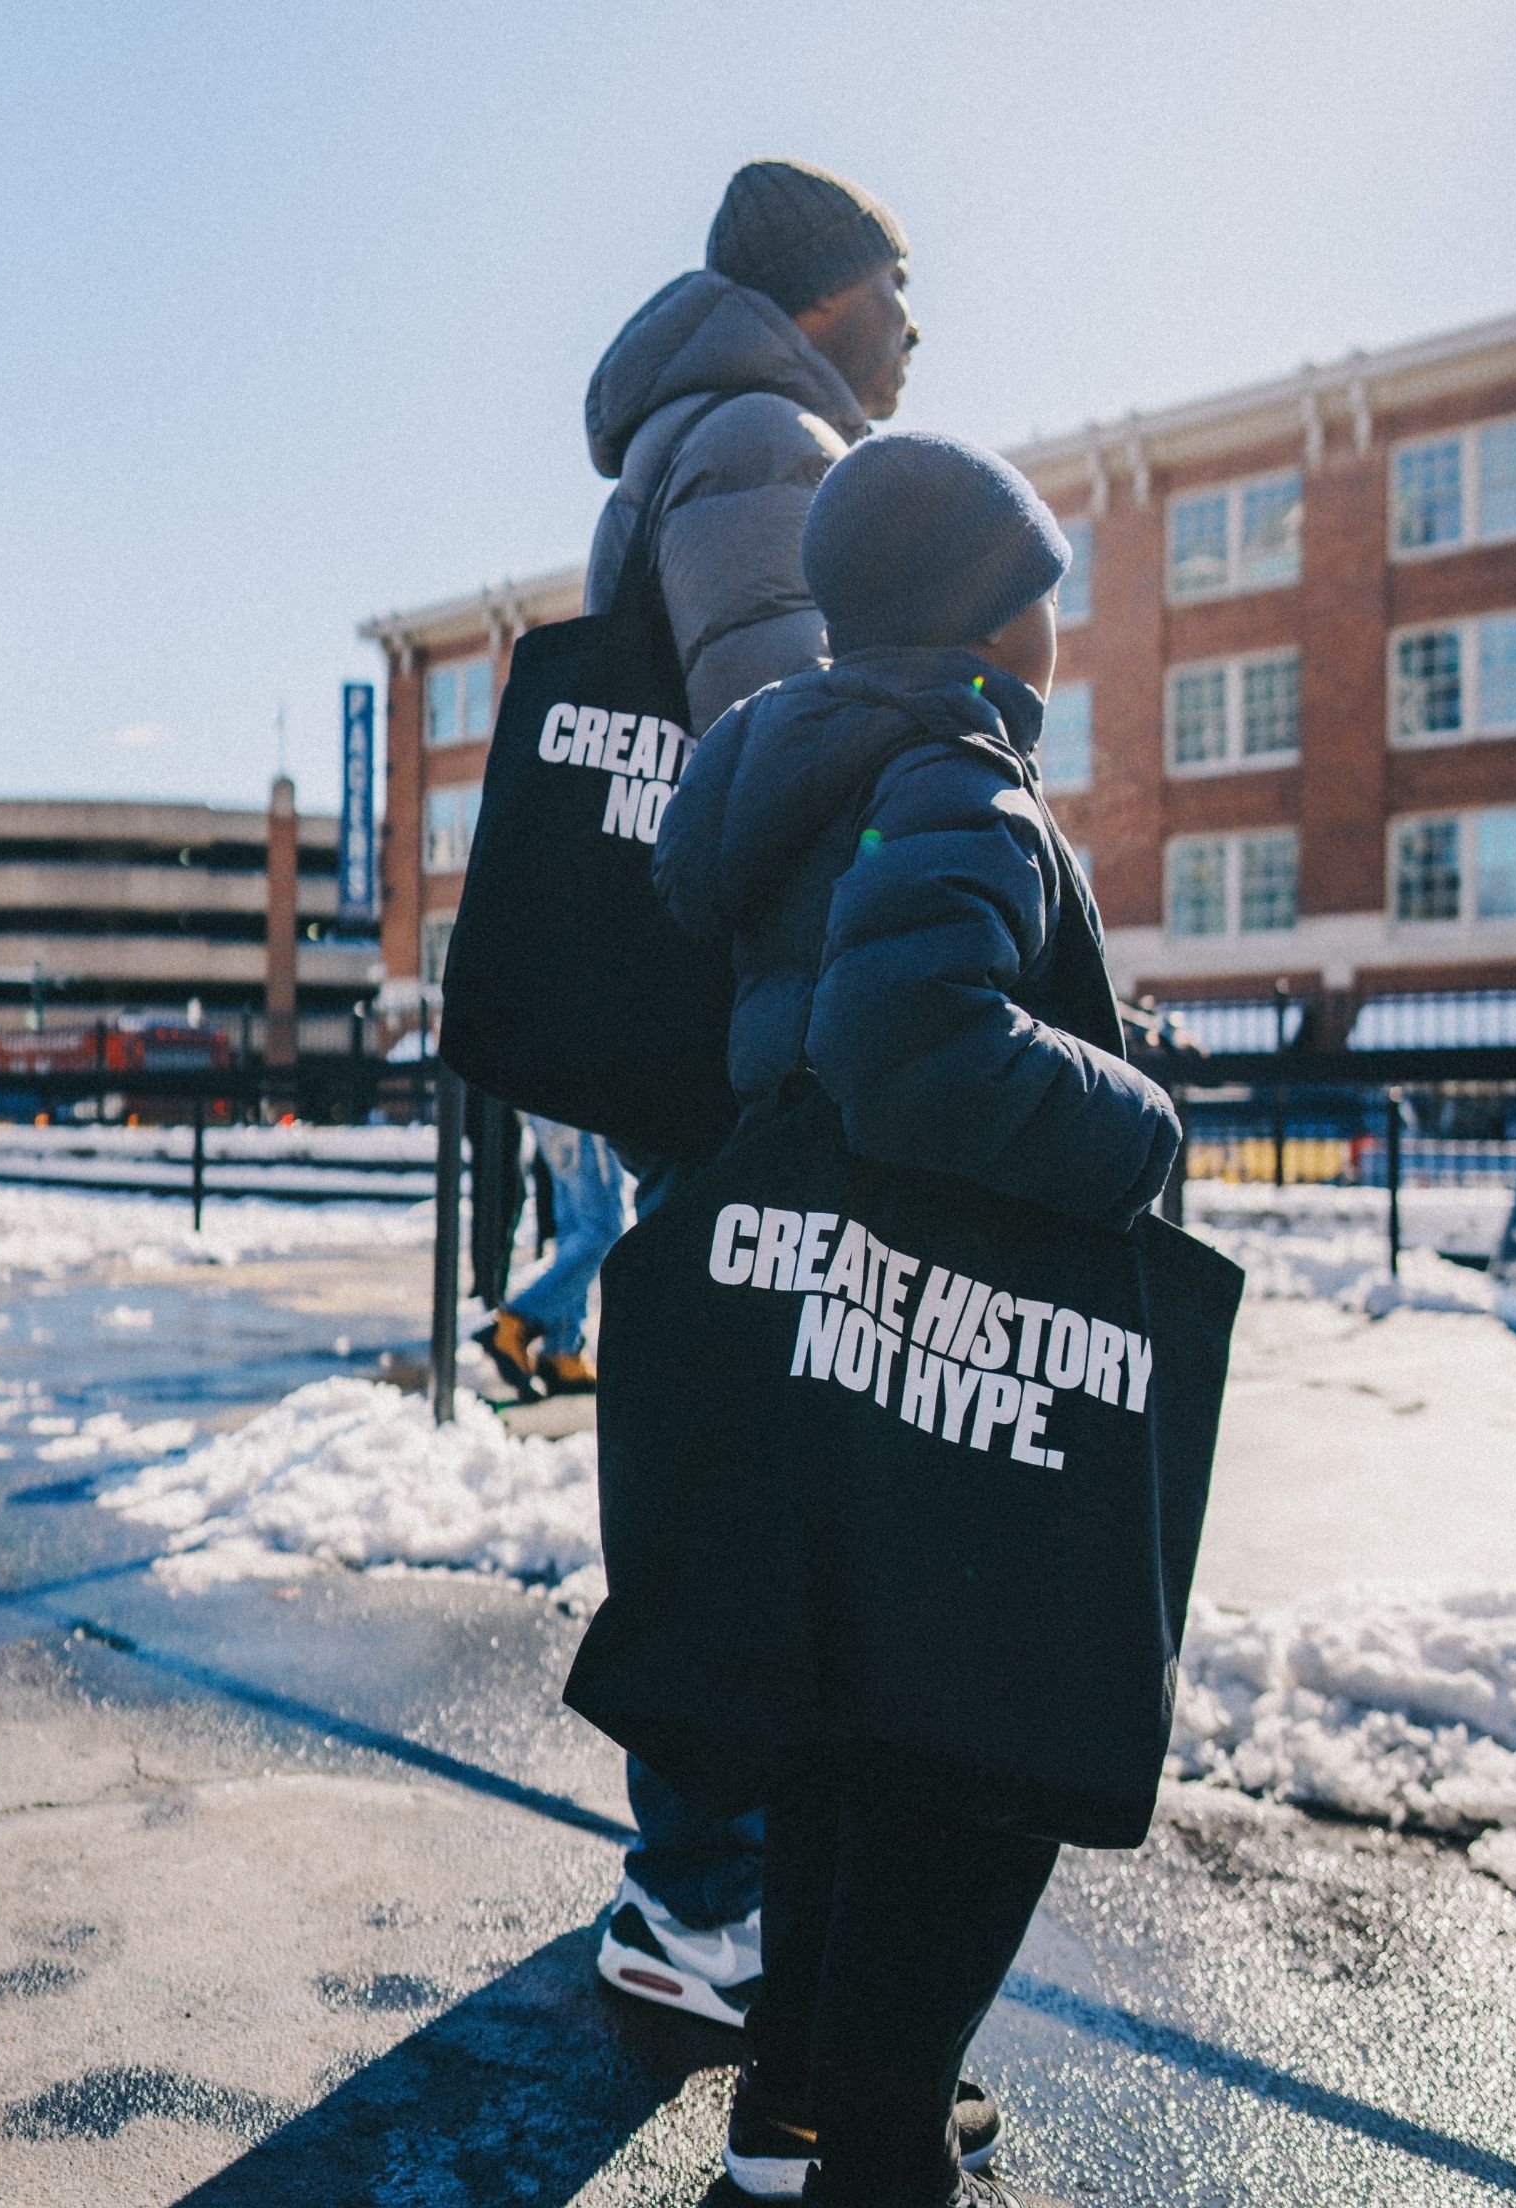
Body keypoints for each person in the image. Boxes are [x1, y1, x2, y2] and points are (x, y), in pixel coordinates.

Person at [652, 433, 1181, 2206]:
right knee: (981, 1759)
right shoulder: (953, 773)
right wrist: (1138, 1117)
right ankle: (878, 2146)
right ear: (993, 615)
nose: (1056, 625)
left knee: (846, 1732)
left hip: (828, 1336)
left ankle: (796, 2109)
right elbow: (910, 1038)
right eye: (1040, 591)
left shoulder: (794, 769)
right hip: (959, 1341)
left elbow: (809, 1032)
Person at [583, 153, 920, 2035]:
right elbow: (795, 760)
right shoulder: (769, 439)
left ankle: (706, 1876)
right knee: (745, 1484)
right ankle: (703, 1893)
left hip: (706, 1049)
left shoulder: (702, 434)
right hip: (758, 1055)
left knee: (719, 1465)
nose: (919, 323)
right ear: (818, 293)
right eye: (898, 281)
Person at [474, 1117, 624, 1397]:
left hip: (553, 1108)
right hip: (587, 1106)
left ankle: (561, 1351)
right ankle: (517, 1320)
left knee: (576, 1229)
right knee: (601, 1229)